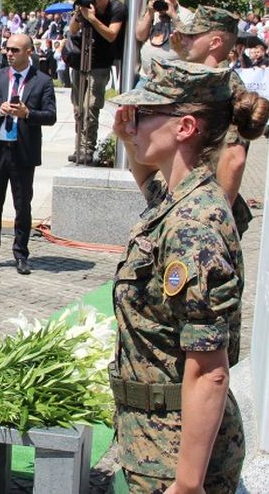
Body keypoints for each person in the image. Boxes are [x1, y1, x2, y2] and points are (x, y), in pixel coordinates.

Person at [110, 58, 268, 494]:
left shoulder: (192, 227)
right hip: (156, 440)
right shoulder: (181, 200)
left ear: (184, 128)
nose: (131, 122)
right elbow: (147, 180)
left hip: (175, 454)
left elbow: (211, 371)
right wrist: (129, 133)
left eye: (142, 114)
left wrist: (187, 484)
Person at [0, 34, 56, 274]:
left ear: (29, 52)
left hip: (22, 152)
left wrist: (28, 114)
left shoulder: (42, 81)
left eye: (15, 50)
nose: (9, 53)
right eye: (7, 49)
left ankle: (21, 254)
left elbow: (50, 116)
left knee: (22, 205)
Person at [170, 5, 253, 238]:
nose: (183, 39)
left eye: (193, 35)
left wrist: (215, 221)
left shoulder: (228, 88)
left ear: (215, 42)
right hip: (187, 200)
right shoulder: (204, 81)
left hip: (205, 209)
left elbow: (234, 157)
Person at [68, 0, 126, 164]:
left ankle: (87, 148)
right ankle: (78, 146)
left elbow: (111, 35)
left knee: (91, 106)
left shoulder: (116, 8)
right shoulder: (85, 8)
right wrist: (78, 14)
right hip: (80, 61)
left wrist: (92, 18)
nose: (91, 3)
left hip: (101, 63)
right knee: (78, 107)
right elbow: (72, 30)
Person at [135, 0, 193, 86]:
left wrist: (173, 16)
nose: (160, 3)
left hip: (170, 81)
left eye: (164, 0)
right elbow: (140, 36)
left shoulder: (186, 15)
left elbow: (188, 40)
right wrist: (149, 14)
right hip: (146, 78)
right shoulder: (152, 13)